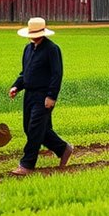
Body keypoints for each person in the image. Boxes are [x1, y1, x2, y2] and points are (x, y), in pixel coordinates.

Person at [8, 17, 72, 176]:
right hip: (29, 95)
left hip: (44, 96)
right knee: (30, 129)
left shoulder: (52, 49)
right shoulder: (28, 49)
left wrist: (51, 96)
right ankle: (63, 148)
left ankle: (27, 164)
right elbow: (25, 73)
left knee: (35, 129)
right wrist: (16, 86)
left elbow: (57, 75)